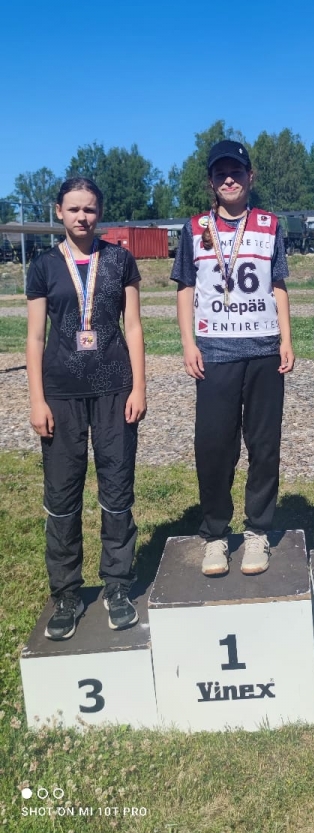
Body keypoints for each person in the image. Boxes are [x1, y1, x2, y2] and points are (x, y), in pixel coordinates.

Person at [26, 177, 146, 639]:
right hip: (61, 393)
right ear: (59, 211)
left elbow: (132, 327)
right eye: (74, 209)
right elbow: (35, 337)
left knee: (117, 488)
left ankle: (117, 584)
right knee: (62, 495)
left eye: (90, 209)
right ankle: (67, 593)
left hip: (115, 388)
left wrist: (139, 387)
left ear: (100, 212)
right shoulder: (43, 266)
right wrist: (37, 399)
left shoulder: (119, 259)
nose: (82, 216)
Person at [171, 139, 294, 577]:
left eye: (236, 172)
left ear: (250, 177)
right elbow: (185, 288)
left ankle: (258, 530)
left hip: (263, 350)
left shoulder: (270, 225)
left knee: (264, 446)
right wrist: (188, 343)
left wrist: (286, 338)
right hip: (215, 351)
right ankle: (216, 535)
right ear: (211, 181)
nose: (229, 179)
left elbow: (278, 283)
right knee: (214, 448)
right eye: (220, 173)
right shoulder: (194, 228)